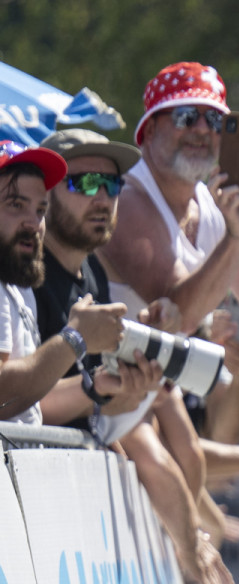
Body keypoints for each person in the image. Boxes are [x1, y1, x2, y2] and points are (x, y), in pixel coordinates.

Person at [98, 62, 239, 330]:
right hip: (109, 371)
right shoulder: (126, 199)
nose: (202, 130)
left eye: (214, 120)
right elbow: (177, 317)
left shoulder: (209, 203)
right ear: (150, 130)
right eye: (185, 116)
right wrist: (236, 236)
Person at [0, 141, 126, 425]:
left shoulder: (18, 286)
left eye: (40, 210)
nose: (33, 223)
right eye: (16, 204)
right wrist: (75, 339)